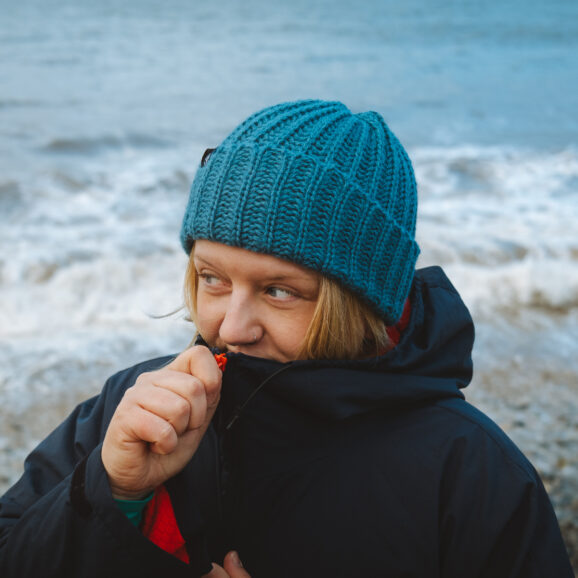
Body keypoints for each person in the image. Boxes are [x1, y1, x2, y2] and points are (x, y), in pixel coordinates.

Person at [0, 100, 573, 578]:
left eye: (279, 291)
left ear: (363, 299)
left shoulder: (472, 473)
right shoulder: (138, 407)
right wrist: (112, 490)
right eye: (212, 278)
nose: (229, 326)